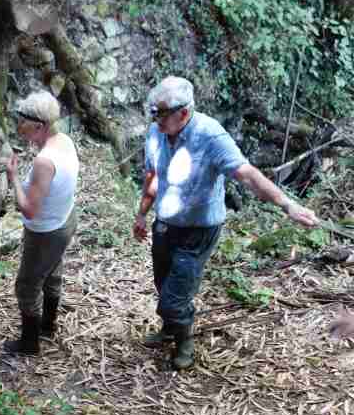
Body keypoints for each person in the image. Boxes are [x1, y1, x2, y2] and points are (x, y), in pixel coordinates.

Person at [133, 76, 319, 370]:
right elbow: (153, 175)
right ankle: (171, 328)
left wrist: (287, 204)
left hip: (199, 230)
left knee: (175, 296)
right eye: (152, 112)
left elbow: (247, 175)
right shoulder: (157, 131)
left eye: (161, 113)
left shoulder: (210, 136)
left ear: (183, 113)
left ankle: (184, 341)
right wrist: (142, 213)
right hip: (166, 224)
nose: (155, 119)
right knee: (163, 283)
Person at [4, 90, 79, 355]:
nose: (18, 125)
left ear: (39, 125)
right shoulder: (64, 140)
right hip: (65, 220)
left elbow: (28, 210)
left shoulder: (44, 162)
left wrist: (12, 177)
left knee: (27, 285)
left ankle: (29, 343)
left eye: (22, 120)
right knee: (51, 273)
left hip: (46, 232)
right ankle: (48, 326)